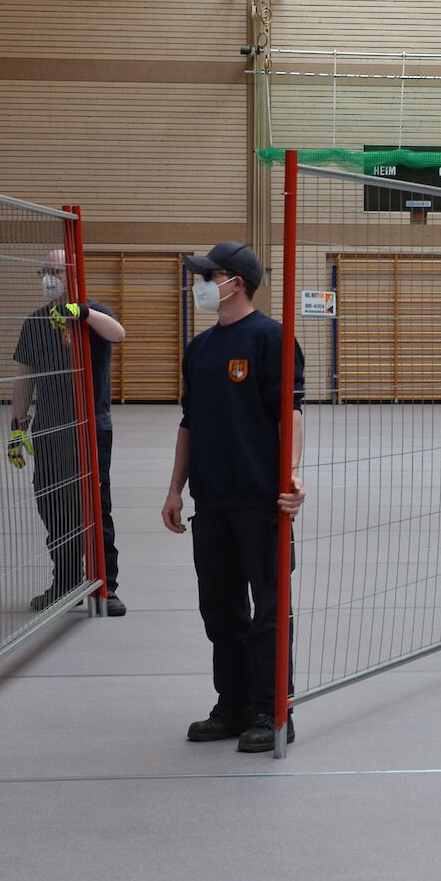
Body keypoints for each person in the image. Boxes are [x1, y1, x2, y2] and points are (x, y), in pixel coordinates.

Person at [162, 241, 306, 753]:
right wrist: (175, 489)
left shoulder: (271, 339)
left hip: (260, 501)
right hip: (213, 501)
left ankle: (273, 708)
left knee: (268, 608)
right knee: (219, 610)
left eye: (207, 275)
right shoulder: (199, 349)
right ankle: (234, 704)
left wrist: (290, 477)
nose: (198, 284)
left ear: (234, 282)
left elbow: (290, 415)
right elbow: (190, 423)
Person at [10, 248, 127, 616]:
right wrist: (17, 426)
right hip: (49, 429)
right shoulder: (34, 322)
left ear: (72, 273)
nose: (48, 277)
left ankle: (105, 586)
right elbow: (24, 377)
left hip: (90, 429)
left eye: (54, 270)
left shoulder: (94, 313)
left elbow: (119, 334)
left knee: (94, 506)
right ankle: (66, 583)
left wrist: (84, 314)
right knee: (53, 507)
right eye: (43, 271)